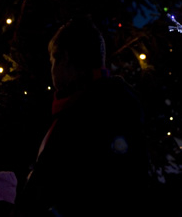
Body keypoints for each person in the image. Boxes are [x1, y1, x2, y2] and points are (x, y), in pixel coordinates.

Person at [17, 17, 150, 216]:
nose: (51, 71)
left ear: (66, 58)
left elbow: (56, 183)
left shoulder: (87, 111)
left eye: (53, 60)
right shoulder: (110, 103)